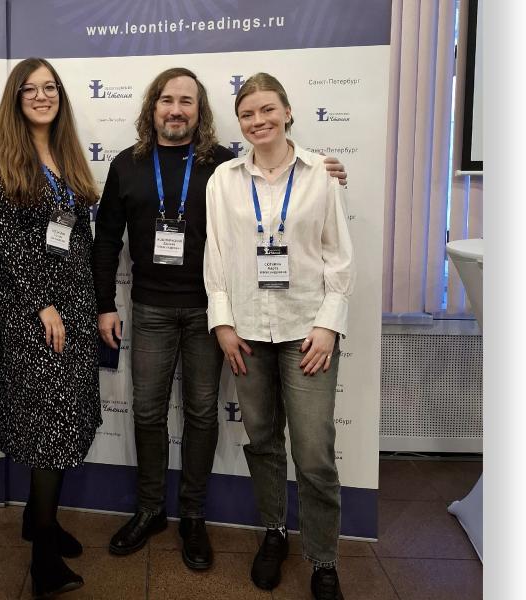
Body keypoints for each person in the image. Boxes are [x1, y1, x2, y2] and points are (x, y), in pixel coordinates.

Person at [94, 68, 348, 570]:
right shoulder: (127, 164)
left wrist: (331, 170)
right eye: (167, 100)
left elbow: (279, 185)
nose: (176, 110)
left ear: (200, 110)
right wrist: (105, 303)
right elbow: (105, 241)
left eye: (186, 101)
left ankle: (193, 515)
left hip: (210, 312)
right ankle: (150, 508)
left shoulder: (222, 166)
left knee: (202, 414)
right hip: (151, 309)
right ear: (152, 107)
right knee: (146, 412)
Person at [203, 73, 354, 600]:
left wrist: (328, 325)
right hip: (247, 331)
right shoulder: (223, 179)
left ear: (287, 112)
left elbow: (339, 257)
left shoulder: (320, 175)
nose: (258, 121)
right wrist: (223, 323)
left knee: (313, 454)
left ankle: (324, 559)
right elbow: (216, 254)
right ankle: (274, 532)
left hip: (307, 332)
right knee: (263, 442)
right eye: (247, 114)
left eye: (268, 110)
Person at [0, 58, 101, 599]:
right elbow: (9, 245)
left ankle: (38, 518)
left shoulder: (67, 154)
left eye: (50, 88)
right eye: (31, 89)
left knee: (68, 418)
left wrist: (88, 304)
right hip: (32, 313)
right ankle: (43, 559)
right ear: (16, 97)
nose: (42, 96)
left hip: (75, 307)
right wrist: (43, 305)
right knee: (49, 428)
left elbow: (77, 235)